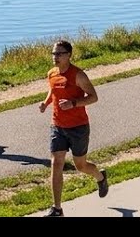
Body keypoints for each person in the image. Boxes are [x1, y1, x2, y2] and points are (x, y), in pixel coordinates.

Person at [39, 40, 109, 216]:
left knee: (81, 166)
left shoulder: (78, 75)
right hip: (57, 126)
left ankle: (100, 177)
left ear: (69, 55)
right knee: (56, 163)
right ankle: (57, 209)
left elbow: (93, 97)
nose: (55, 57)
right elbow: (53, 91)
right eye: (54, 53)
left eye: (59, 53)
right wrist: (46, 103)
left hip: (78, 127)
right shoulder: (52, 73)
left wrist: (73, 103)